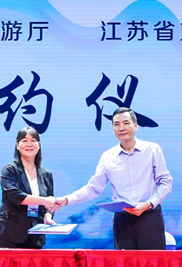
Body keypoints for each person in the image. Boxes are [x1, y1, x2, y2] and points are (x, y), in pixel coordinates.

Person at [54, 107, 172, 250]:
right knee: (124, 263)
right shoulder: (108, 157)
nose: (121, 128)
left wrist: (148, 204)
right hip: (123, 219)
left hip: (149, 216)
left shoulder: (152, 149)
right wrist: (66, 200)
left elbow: (166, 183)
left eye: (126, 123)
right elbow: (93, 189)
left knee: (152, 262)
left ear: (136, 126)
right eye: (116, 124)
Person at [0, 126, 58, 248]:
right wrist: (45, 201)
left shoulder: (46, 174)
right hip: (11, 234)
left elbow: (49, 204)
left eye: (33, 140)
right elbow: (15, 196)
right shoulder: (9, 170)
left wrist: (48, 216)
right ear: (17, 145)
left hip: (35, 235)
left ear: (39, 145)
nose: (29, 144)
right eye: (24, 141)